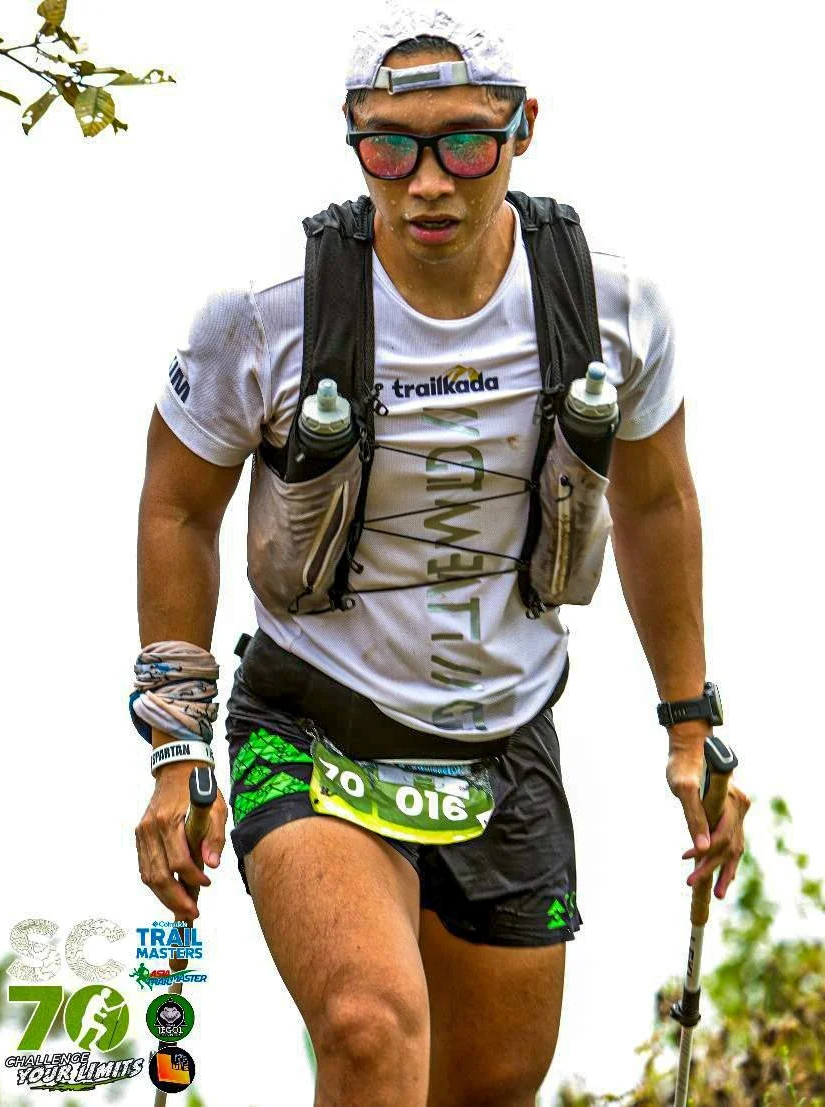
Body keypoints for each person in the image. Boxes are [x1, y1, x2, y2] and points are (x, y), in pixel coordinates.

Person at [133, 5, 750, 1105]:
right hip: (314, 726)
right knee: (369, 1031)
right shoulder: (265, 320)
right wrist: (175, 746)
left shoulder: (611, 310)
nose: (427, 183)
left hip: (504, 744)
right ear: (352, 139)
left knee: (491, 1085)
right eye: (390, 148)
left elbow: (659, 503)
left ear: (523, 130)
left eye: (465, 144)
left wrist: (689, 726)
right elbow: (177, 508)